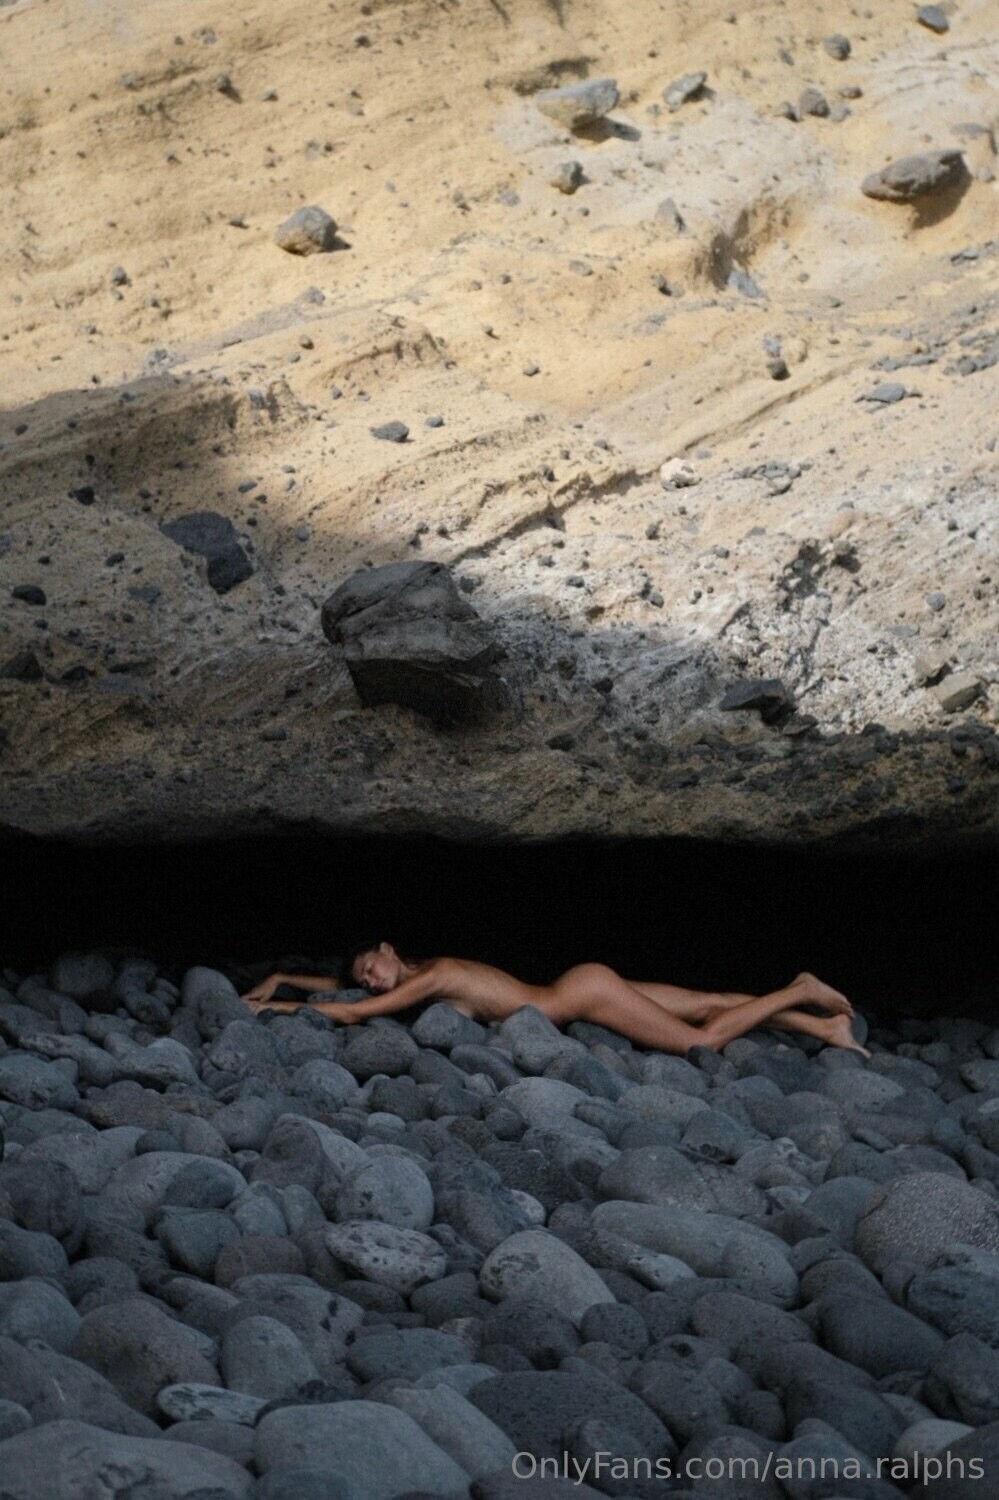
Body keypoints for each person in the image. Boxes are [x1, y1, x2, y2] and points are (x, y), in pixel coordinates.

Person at [241, 941, 869, 1057]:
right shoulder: (425, 968)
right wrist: (286, 979)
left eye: (371, 966)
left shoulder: (434, 976)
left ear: (387, 947)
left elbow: (353, 1011)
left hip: (580, 995)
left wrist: (272, 1011)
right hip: (581, 985)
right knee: (710, 1001)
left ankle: (801, 989)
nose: (373, 980)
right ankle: (825, 1030)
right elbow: (349, 993)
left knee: (702, 1039)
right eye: (366, 976)